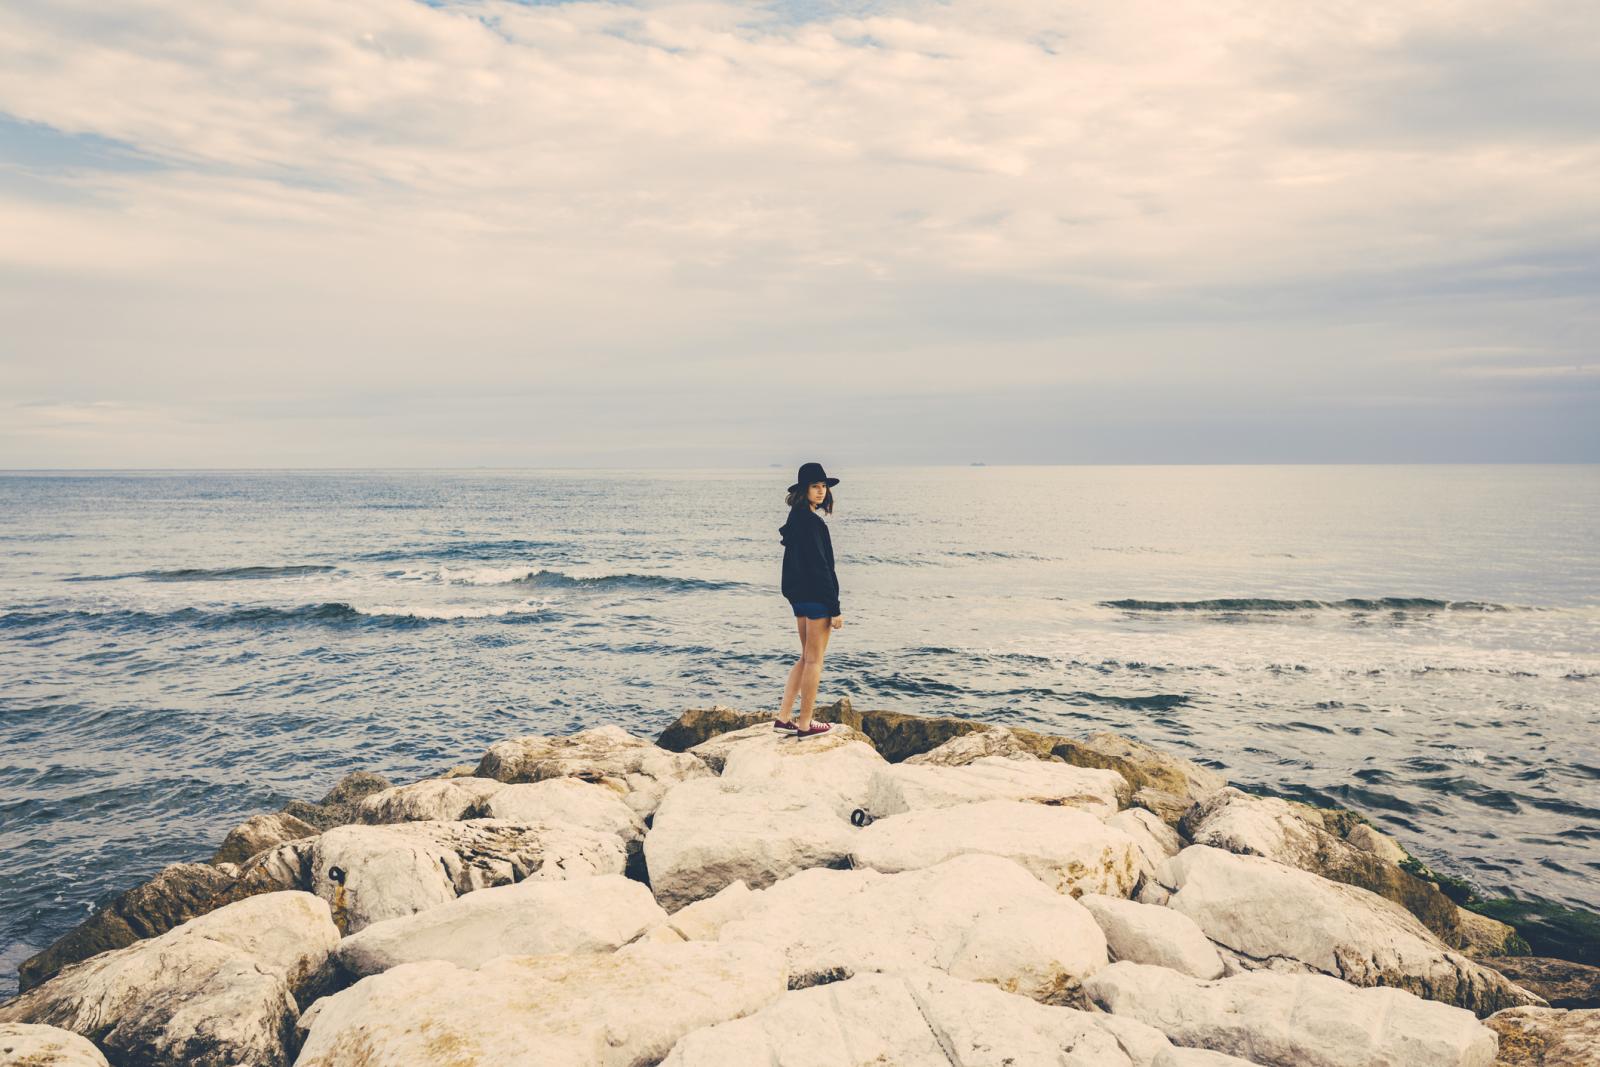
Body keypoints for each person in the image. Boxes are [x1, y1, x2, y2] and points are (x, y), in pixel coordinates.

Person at [775, 461, 843, 737]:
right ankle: (805, 724)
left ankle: (783, 718)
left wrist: (792, 595)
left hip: (799, 599)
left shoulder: (795, 519)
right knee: (814, 661)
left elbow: (792, 564)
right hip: (816, 599)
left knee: (804, 658)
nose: (821, 491)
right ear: (804, 490)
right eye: (815, 486)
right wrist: (835, 608)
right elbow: (821, 567)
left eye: (823, 486)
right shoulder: (813, 523)